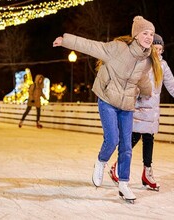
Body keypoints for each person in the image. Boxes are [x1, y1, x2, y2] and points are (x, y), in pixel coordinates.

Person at [53, 16, 162, 202]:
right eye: (145, 33)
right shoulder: (118, 48)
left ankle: (124, 185)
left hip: (127, 105)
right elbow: (92, 46)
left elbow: (142, 79)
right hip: (107, 99)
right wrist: (67, 41)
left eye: (151, 34)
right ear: (136, 35)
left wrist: (148, 91)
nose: (149, 37)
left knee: (126, 146)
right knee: (112, 140)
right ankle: (101, 161)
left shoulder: (146, 61)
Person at [108, 34, 174, 191]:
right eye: (155, 48)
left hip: (152, 112)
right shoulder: (141, 63)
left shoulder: (163, 66)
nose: (158, 52)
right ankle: (117, 167)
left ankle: (147, 173)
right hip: (138, 108)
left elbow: (173, 88)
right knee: (133, 139)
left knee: (148, 139)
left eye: (160, 49)